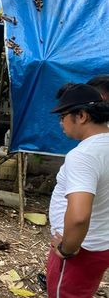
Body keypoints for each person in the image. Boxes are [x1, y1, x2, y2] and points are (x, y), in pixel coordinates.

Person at [47, 83, 109, 297]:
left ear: (81, 116)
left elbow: (79, 216)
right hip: (101, 243)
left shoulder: (83, 156)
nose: (60, 123)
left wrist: (66, 248)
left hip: (81, 250)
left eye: (63, 116)